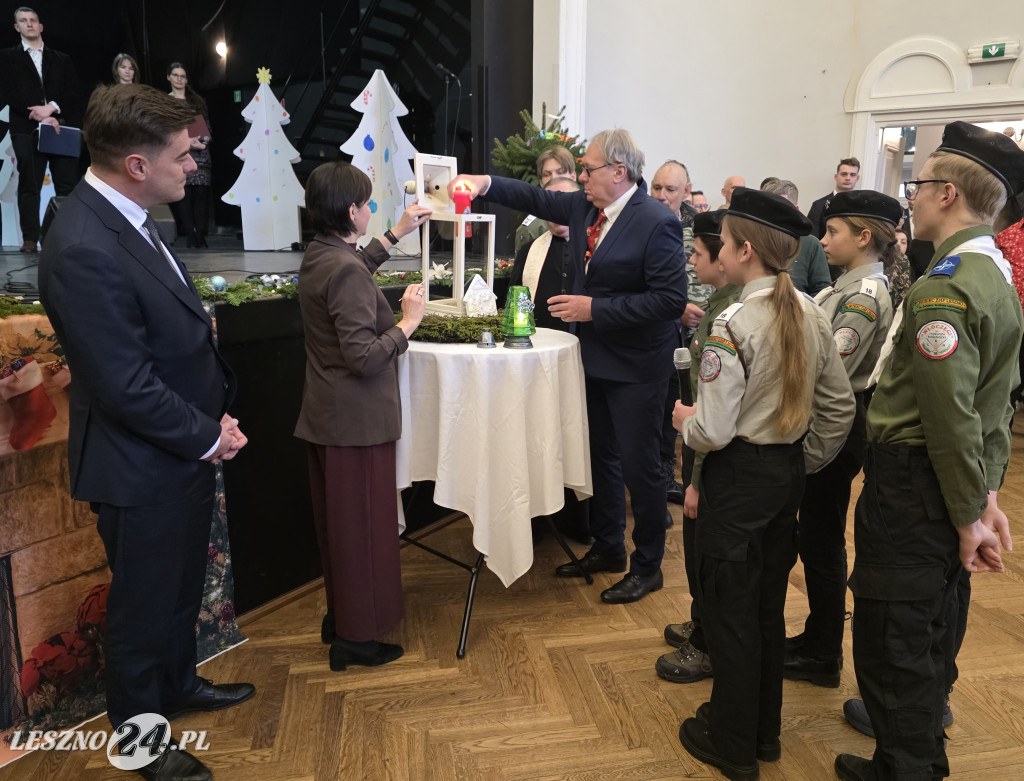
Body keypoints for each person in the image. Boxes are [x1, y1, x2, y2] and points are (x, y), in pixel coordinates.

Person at [37, 83, 252, 781]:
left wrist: (206, 423)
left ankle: (178, 684)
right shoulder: (82, 244)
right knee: (141, 605)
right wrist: (206, 434)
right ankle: (140, 741)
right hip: (140, 463)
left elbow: (166, 344)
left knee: (179, 589)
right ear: (136, 164)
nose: (192, 166)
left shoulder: (124, 217)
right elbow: (123, 383)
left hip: (177, 449)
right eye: (183, 155)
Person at [835, 122, 1024, 781]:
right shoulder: (993, 276)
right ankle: (910, 754)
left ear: (947, 193)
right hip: (944, 482)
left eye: (916, 185)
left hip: (914, 482)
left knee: (895, 632)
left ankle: (907, 766)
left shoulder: (946, 284)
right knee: (928, 620)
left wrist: (973, 512)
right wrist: (987, 495)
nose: (908, 198)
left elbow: (948, 415)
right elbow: (991, 407)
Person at [450, 128, 687, 604]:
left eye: (588, 168)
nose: (581, 176)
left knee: (641, 470)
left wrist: (593, 309)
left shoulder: (655, 221)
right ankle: (607, 547)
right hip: (595, 360)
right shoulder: (583, 208)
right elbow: (534, 195)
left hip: (638, 367)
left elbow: (668, 300)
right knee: (601, 458)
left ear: (619, 173)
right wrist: (484, 183)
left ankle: (647, 566)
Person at [674, 188, 854, 781]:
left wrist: (686, 423)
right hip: (783, 477)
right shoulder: (813, 311)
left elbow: (714, 430)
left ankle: (730, 743)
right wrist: (798, 464)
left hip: (738, 478)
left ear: (745, 250)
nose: (718, 249)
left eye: (722, 242)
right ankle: (764, 733)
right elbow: (837, 410)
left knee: (729, 610)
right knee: (767, 608)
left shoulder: (733, 321)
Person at [294, 161, 431, 673]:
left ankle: (342, 620)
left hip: (327, 418)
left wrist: (395, 233)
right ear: (351, 211)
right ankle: (357, 639)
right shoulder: (344, 268)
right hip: (356, 424)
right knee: (363, 533)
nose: (372, 210)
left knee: (340, 530)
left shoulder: (320, 254)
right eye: (369, 204)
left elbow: (351, 270)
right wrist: (408, 323)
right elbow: (365, 356)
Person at [783, 191, 898, 690]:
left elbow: (833, 372)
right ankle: (816, 637)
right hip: (826, 420)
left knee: (822, 540)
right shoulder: (843, 288)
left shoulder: (864, 296)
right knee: (815, 536)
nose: (823, 240)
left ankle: (824, 650)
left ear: (864, 236)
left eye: (832, 232)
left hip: (837, 426)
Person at [655, 209, 739, 685]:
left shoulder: (728, 316)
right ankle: (702, 619)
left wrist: (696, 480)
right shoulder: (720, 303)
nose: (691, 258)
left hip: (712, 456)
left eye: (700, 252)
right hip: (706, 449)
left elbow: (713, 406)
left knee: (706, 556)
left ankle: (706, 640)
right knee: (699, 555)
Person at [1, 6, 82, 253]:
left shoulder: (61, 59)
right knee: (29, 185)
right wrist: (34, 112)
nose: (29, 24)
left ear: (41, 26)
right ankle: (30, 239)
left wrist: (52, 109)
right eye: (23, 21)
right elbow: (6, 91)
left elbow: (74, 93)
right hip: (26, 128)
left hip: (59, 127)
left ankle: (62, 237)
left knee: (66, 187)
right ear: (17, 27)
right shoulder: (6, 57)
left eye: (33, 20)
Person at [650, 159, 705, 505]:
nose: (661, 196)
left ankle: (685, 473)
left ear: (686, 191)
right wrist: (676, 310)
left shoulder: (702, 227)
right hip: (663, 329)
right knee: (662, 403)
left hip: (704, 330)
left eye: (670, 189)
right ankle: (661, 471)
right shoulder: (644, 222)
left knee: (691, 402)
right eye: (656, 187)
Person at [511, 176, 579, 329]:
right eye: (551, 206)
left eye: (564, 204)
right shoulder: (527, 252)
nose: (558, 212)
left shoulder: (599, 247)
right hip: (541, 345)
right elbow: (515, 306)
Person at [166, 62, 211, 248]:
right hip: (179, 152)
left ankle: (200, 233)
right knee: (184, 193)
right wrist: (186, 141)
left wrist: (203, 142)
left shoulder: (196, 101)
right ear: (168, 77)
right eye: (175, 75)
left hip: (201, 152)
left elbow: (207, 127)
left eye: (182, 76)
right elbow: (164, 128)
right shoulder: (165, 102)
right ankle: (190, 233)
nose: (179, 79)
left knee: (201, 193)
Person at [761, 179, 831, 295]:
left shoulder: (811, 244)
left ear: (796, 210)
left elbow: (822, 291)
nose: (775, 215)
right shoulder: (754, 241)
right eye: (769, 209)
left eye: (782, 209)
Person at [514, 145, 577, 252]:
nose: (554, 178)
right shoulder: (533, 227)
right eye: (547, 174)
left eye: (560, 172)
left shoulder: (590, 213)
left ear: (573, 177)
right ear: (541, 182)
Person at [807, 157, 861, 239]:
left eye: (852, 175)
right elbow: (812, 241)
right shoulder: (818, 205)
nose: (848, 178)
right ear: (836, 177)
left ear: (857, 178)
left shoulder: (861, 207)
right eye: (844, 174)